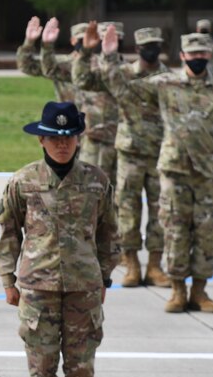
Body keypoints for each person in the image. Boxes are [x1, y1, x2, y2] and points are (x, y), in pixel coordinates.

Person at [0, 101, 117, 377]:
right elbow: (8, 234)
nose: (61, 144)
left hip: (84, 289)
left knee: (81, 365)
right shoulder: (23, 181)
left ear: (78, 139)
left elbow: (110, 233)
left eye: (68, 137)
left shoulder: (97, 180)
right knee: (41, 366)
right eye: (53, 138)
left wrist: (105, 275)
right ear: (41, 141)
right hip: (37, 288)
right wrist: (7, 280)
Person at [94, 25, 213, 314]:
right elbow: (123, 89)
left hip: (208, 172)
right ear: (182, 55)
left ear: (211, 55)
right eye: (192, 53)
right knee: (175, 230)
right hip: (174, 169)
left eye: (203, 52)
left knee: (207, 232)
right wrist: (108, 56)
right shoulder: (166, 84)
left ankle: (200, 292)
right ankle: (178, 291)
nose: (198, 57)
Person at [73, 25, 171, 287]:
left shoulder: (169, 78)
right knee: (127, 211)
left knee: (160, 210)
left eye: (156, 44)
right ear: (137, 49)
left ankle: (154, 266)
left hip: (160, 153)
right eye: (146, 45)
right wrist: (88, 52)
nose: (152, 49)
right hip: (130, 153)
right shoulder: (121, 73)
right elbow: (83, 81)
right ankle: (131, 265)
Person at [40, 19, 122, 183]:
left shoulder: (106, 67)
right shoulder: (70, 65)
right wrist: (46, 45)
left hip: (104, 134)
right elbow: (48, 68)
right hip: (72, 130)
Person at [17, 16, 78, 103]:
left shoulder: (100, 64)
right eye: (81, 40)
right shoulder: (62, 63)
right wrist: (29, 42)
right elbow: (27, 66)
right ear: (73, 41)